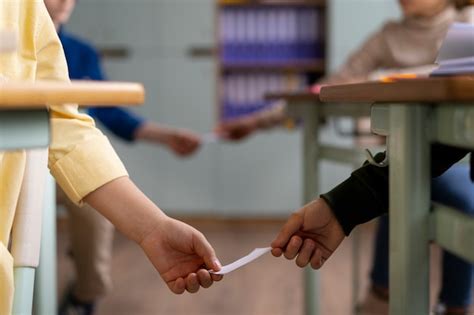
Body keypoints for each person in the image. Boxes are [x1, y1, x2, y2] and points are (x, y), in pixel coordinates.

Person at [217, 0, 474, 313]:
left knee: (426, 193)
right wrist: (256, 121)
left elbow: (448, 78)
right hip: (409, 154)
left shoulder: (467, 23)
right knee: (403, 185)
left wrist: (385, 75)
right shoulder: (389, 35)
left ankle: (420, 301)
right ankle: (398, 297)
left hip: (457, 162)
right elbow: (332, 85)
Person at [0, 1, 222, 314]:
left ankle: (86, 294)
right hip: (21, 169)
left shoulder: (37, 19)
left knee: (93, 217)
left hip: (43, 167)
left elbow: (64, 120)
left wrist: (152, 227)